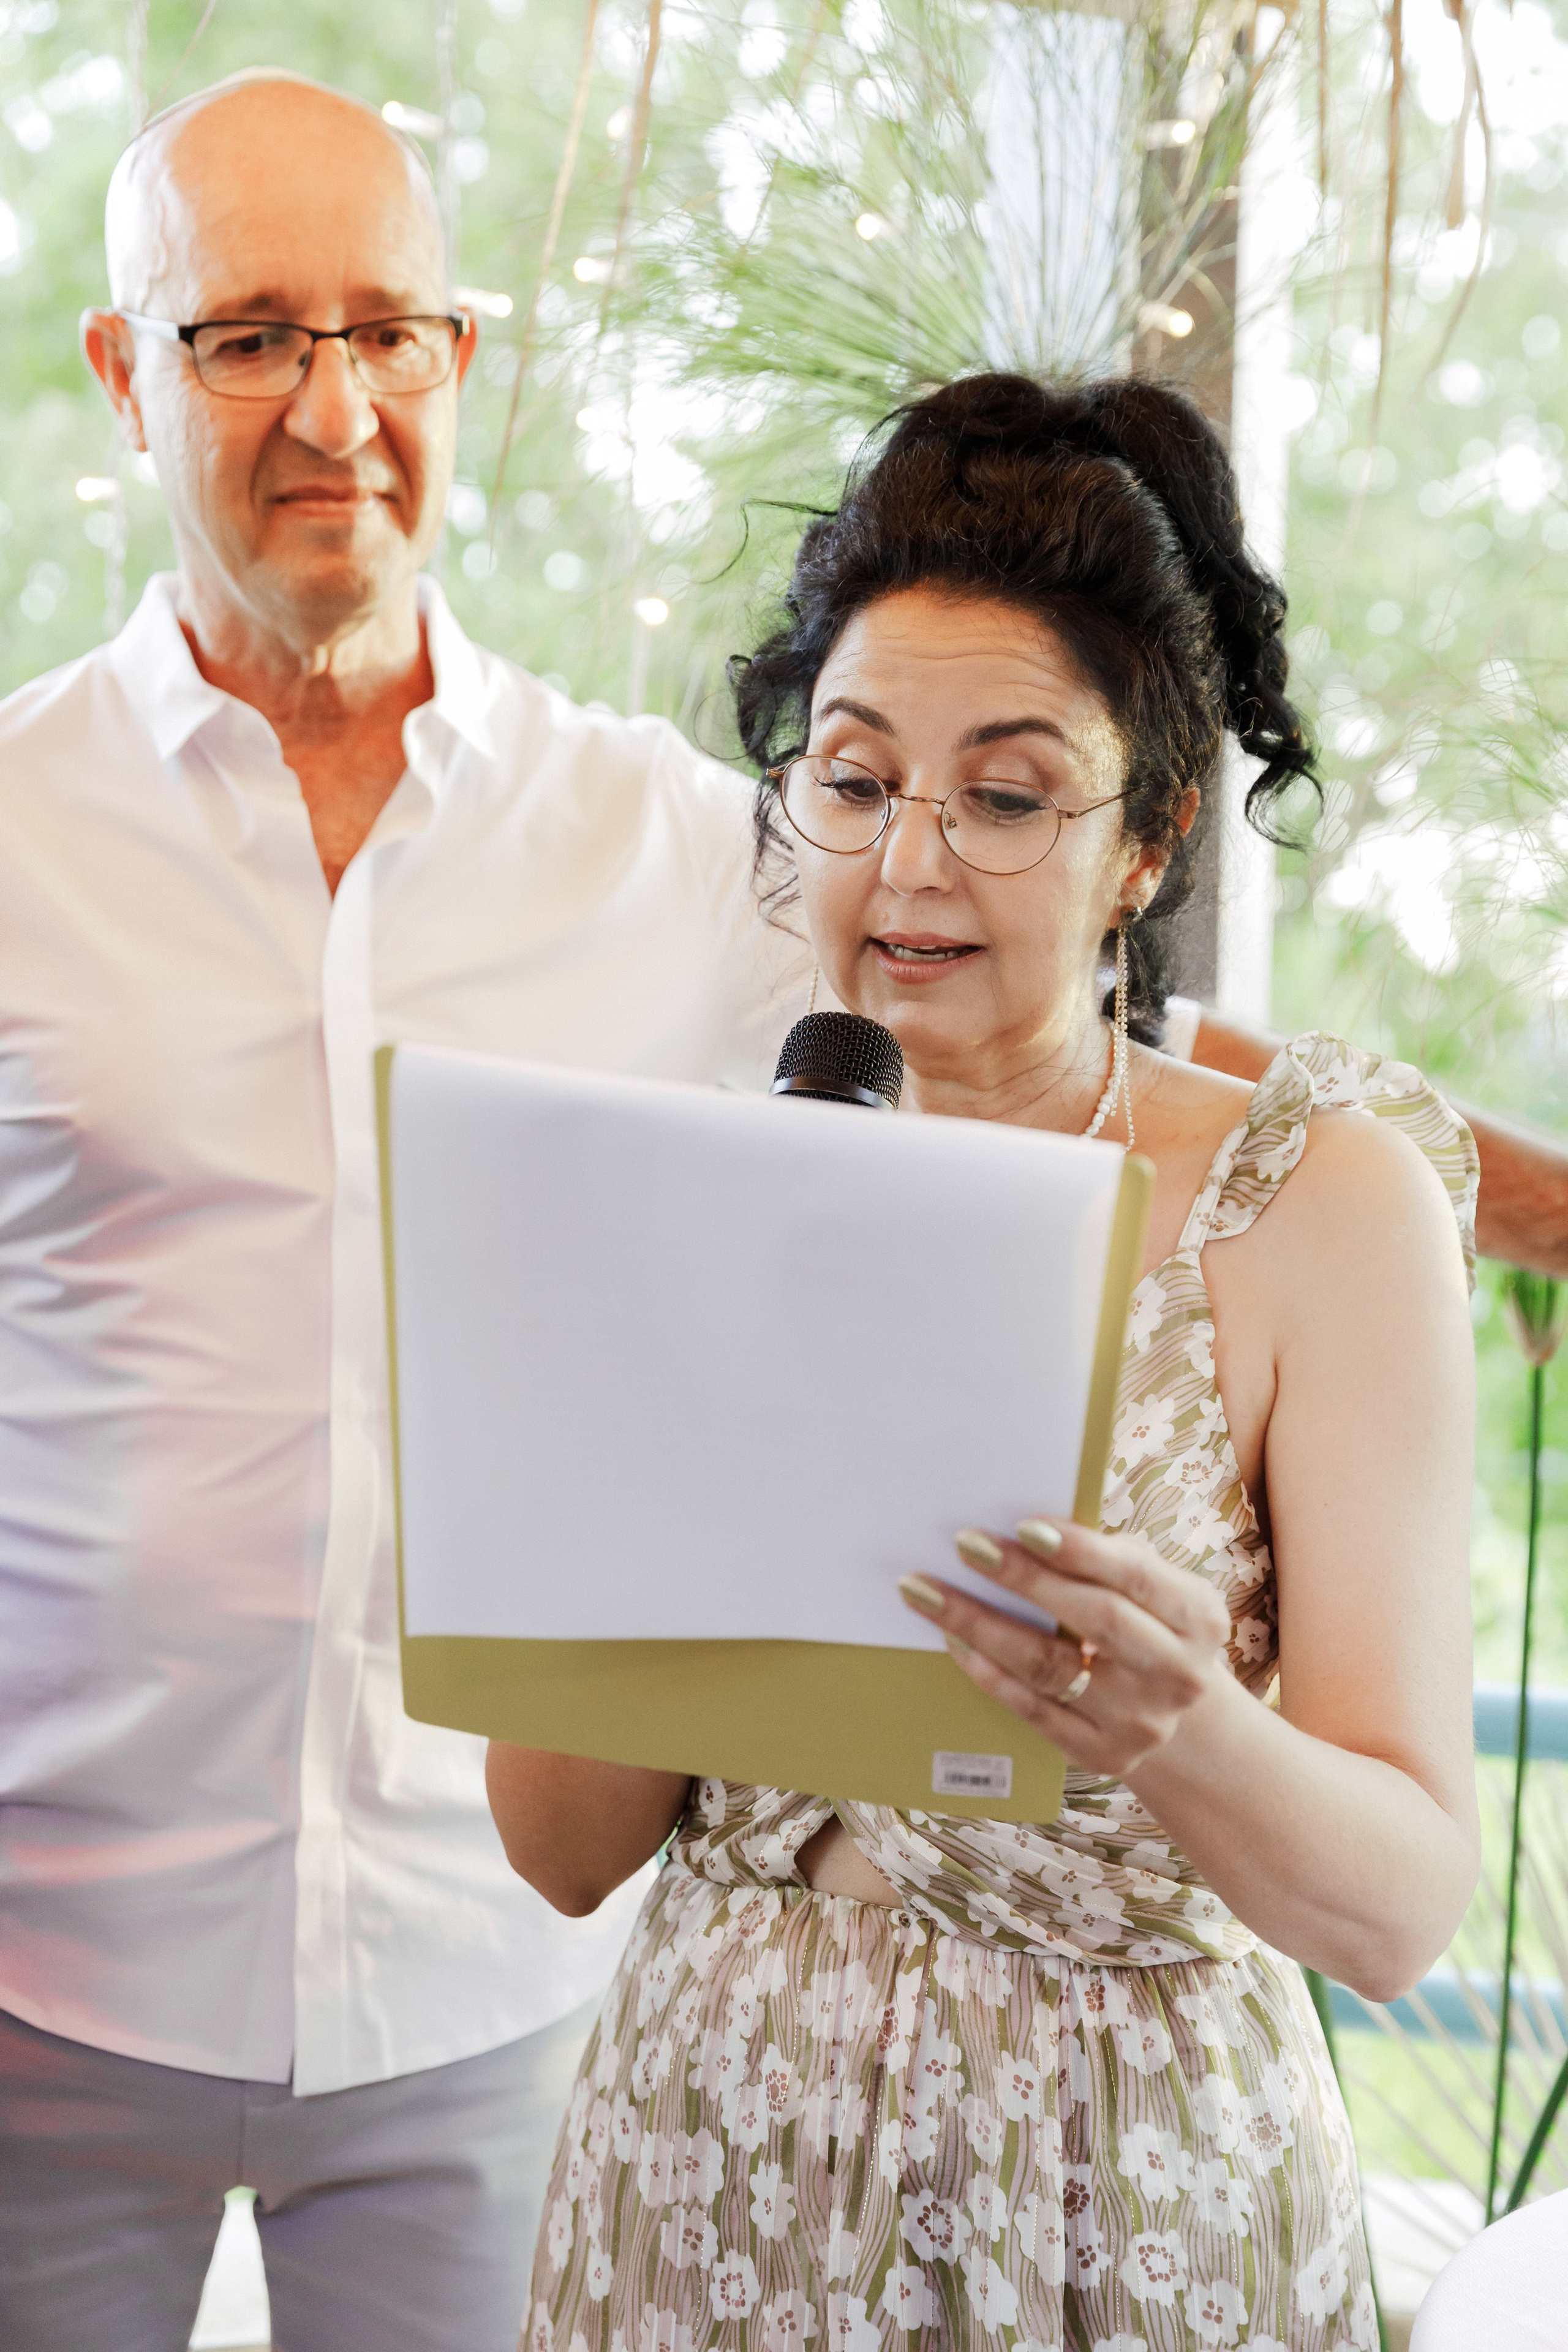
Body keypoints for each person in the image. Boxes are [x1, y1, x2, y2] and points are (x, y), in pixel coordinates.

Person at [487, 376, 1482, 2351]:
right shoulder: (693, 1175)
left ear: (1149, 840)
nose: (911, 862)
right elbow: (560, 1851)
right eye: (853, 783)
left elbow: (1398, 1910)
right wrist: (683, 1488)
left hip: (1121, 2200)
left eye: (1008, 795)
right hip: (703, 2177)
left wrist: (1185, 1721)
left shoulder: (1320, 1204)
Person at [0, 70, 801, 2352]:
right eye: (246, 333)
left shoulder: (666, 844)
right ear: (123, 372)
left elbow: (1021, 1030)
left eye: (388, 333)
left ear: (468, 365)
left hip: (491, 1978)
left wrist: (1444, 1171)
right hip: (37, 1976)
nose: (329, 404)